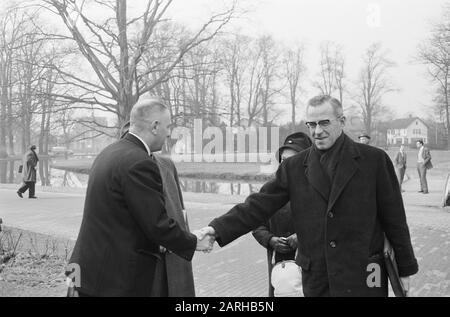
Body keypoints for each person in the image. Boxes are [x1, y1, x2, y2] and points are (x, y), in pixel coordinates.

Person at [200, 95, 418, 297]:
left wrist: (405, 269)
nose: (317, 131)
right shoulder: (294, 167)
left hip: (364, 275)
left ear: (341, 121)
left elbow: (395, 218)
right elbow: (259, 205)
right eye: (311, 125)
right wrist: (216, 229)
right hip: (317, 278)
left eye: (324, 123)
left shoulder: (374, 160)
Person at [66, 98, 212, 297]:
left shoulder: (109, 153)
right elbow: (157, 225)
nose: (169, 133)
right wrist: (194, 242)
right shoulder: (139, 163)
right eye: (168, 127)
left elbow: (124, 217)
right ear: (154, 126)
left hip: (92, 272)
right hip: (116, 281)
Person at [120, 121, 196, 297]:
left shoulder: (167, 165)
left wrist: (185, 237)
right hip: (147, 260)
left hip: (176, 258)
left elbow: (180, 207)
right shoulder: (124, 167)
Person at [252, 132, 312, 297]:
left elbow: (330, 224)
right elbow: (257, 224)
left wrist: (301, 236)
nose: (287, 164)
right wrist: (270, 239)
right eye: (284, 160)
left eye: (293, 159)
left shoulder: (320, 189)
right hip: (280, 268)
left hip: (314, 269)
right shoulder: (270, 190)